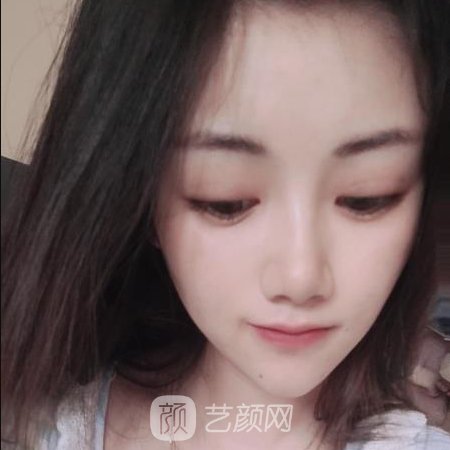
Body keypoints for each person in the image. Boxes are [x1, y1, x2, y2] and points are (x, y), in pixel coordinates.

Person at [1, 0, 449, 449]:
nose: (300, 278)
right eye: (226, 201)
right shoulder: (48, 427)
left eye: (367, 197)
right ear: (143, 198)